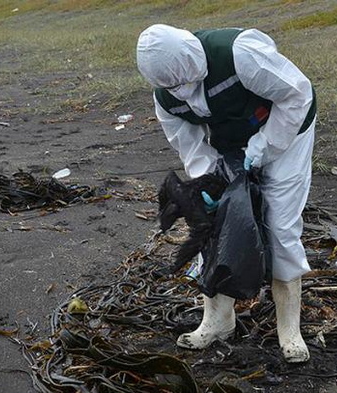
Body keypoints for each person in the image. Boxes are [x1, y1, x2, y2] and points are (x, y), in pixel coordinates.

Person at [136, 24, 316, 363]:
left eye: (188, 81)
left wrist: (263, 148)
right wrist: (210, 183)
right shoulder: (165, 101)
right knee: (214, 224)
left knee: (280, 225)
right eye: (174, 88)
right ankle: (218, 320)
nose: (184, 93)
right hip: (230, 141)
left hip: (286, 129)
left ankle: (289, 329)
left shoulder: (241, 53)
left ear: (195, 60)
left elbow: (297, 95)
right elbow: (191, 148)